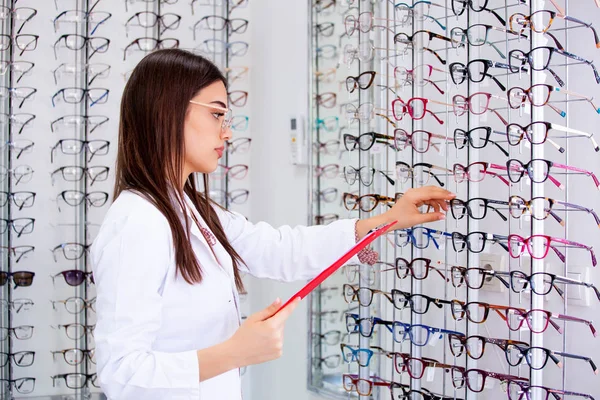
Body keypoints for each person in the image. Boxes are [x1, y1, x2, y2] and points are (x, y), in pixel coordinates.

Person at [90, 48, 455, 400]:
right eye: (217, 115)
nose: (227, 133)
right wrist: (235, 352)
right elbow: (121, 373)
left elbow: (278, 250)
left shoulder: (193, 210)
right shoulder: (137, 223)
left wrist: (388, 219)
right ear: (166, 112)